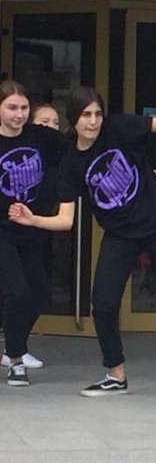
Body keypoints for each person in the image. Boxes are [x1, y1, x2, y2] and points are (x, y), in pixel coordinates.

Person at [8, 86, 156, 395]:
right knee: (103, 306)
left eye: (97, 114)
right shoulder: (71, 164)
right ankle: (116, 375)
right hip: (119, 235)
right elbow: (66, 220)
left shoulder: (118, 127)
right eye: (86, 115)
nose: (93, 121)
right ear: (73, 119)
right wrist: (33, 219)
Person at [0, 81, 68, 383]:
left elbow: (83, 151)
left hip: (31, 230)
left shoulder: (41, 137)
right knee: (17, 291)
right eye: (11, 107)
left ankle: (12, 345)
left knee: (39, 293)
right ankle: (16, 360)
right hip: (2, 232)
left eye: (24, 108)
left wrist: (141, 168)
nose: (19, 114)